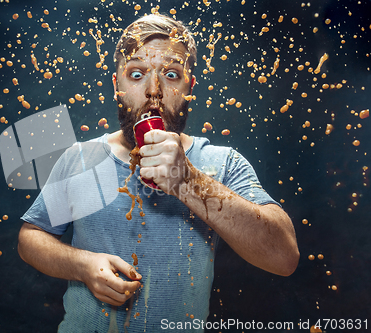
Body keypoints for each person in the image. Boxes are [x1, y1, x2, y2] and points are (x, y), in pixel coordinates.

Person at [18, 13, 299, 332]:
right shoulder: (81, 158)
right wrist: (82, 265)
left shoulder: (222, 163)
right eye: (136, 74)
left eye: (171, 74)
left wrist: (188, 181)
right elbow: (30, 238)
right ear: (117, 85)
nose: (154, 91)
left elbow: (284, 257)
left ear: (189, 86)